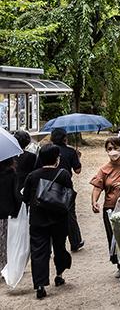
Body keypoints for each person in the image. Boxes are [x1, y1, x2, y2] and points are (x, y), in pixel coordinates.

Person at [22, 144, 73, 300]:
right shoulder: (63, 175)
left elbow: (25, 199)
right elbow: (69, 196)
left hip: (38, 219)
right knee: (59, 247)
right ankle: (59, 274)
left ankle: (40, 285)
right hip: (59, 218)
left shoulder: (32, 176)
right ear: (57, 158)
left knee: (39, 252)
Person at [90, 137, 120, 287]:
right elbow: (97, 187)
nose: (113, 151)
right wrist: (94, 201)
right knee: (115, 237)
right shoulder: (104, 169)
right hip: (110, 208)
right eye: (109, 149)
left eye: (115, 148)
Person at [48, 128, 84, 252]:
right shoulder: (70, 151)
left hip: (49, 185)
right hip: (66, 185)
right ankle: (75, 241)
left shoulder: (47, 150)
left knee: (51, 214)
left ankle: (52, 245)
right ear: (65, 138)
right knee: (70, 215)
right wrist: (77, 157)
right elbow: (78, 170)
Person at [0, 155, 21, 273]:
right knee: (6, 240)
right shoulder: (11, 175)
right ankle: (4, 266)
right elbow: (15, 194)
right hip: (7, 211)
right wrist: (18, 209)